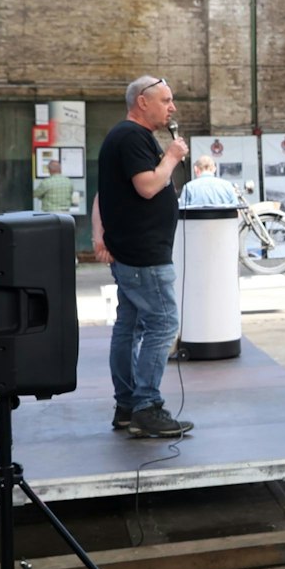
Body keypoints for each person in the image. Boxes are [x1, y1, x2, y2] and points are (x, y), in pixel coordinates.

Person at [91, 75, 192, 440]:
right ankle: (147, 407)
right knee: (163, 325)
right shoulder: (133, 137)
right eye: (165, 100)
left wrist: (99, 234)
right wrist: (172, 157)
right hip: (144, 256)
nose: (172, 107)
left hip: (133, 253)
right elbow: (148, 186)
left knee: (129, 328)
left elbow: (107, 193)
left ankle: (127, 405)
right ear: (142, 102)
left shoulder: (123, 137)